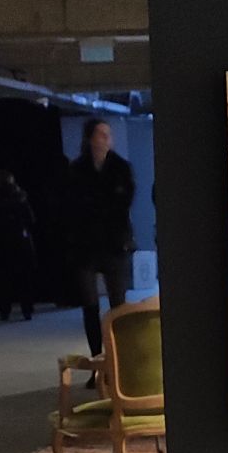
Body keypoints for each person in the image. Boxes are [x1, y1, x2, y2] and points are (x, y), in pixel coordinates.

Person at [68, 117, 136, 357]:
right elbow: (71, 204)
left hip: (114, 242)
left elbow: (123, 202)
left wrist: (96, 206)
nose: (107, 139)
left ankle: (119, 360)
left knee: (118, 305)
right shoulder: (77, 169)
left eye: (109, 134)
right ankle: (97, 359)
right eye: (102, 134)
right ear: (90, 138)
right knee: (89, 306)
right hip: (85, 244)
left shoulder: (121, 168)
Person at [0, 170, 38, 322]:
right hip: (20, 240)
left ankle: (4, 310)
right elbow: (31, 219)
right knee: (24, 277)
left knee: (2, 278)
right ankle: (27, 309)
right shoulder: (21, 197)